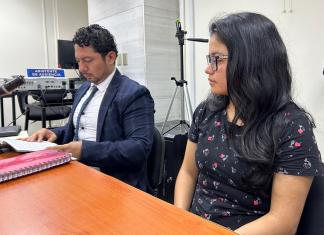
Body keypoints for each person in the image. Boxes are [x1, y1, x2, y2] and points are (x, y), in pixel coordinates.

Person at [174, 12, 323, 234]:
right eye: (209, 59)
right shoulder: (207, 111)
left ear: (250, 61)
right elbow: (188, 172)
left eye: (217, 59)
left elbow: (283, 221)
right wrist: (179, 219)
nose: (208, 69)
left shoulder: (291, 126)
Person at [25, 24, 155, 191]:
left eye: (87, 61)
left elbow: (138, 149)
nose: (81, 68)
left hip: (114, 184)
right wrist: (54, 133)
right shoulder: (84, 88)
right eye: (78, 61)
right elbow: (74, 129)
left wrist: (85, 150)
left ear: (110, 57)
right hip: (77, 173)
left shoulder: (134, 94)